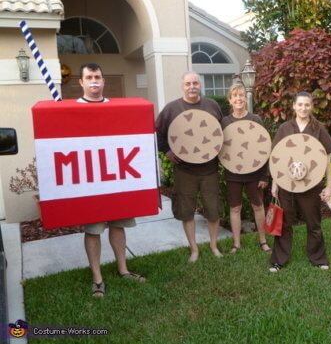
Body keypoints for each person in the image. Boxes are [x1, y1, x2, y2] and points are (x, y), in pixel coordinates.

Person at [78, 63, 145, 297]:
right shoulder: (72, 109)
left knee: (118, 224)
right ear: (82, 82)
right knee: (94, 229)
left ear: (103, 81)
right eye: (89, 77)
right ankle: (97, 278)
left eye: (97, 76)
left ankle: (123, 269)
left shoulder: (117, 108)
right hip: (89, 179)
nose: (94, 81)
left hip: (117, 176)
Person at [156, 71, 223, 262]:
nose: (192, 87)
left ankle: (213, 245)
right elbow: (158, 133)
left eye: (195, 83)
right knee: (186, 211)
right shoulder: (171, 109)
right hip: (184, 171)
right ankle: (194, 249)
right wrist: (168, 151)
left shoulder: (212, 106)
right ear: (182, 86)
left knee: (213, 209)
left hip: (209, 169)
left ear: (199, 85)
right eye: (188, 84)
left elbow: (221, 133)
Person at [269, 91, 331, 272]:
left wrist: (329, 185)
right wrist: (275, 183)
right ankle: (279, 260)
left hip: (311, 186)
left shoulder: (319, 129)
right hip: (286, 185)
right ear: (293, 106)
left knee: (313, 223)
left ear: (311, 107)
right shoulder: (284, 128)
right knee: (284, 223)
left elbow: (327, 159)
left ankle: (318, 258)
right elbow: (276, 157)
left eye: (307, 105)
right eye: (300, 105)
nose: (303, 108)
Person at [220, 83, 271, 253]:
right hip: (233, 173)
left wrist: (265, 176)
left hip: (255, 173)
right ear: (230, 100)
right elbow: (221, 148)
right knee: (235, 208)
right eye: (235, 96)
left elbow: (263, 148)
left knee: (258, 206)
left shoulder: (255, 120)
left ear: (245, 98)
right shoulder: (225, 122)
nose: (239, 99)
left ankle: (263, 241)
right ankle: (236, 243)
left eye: (241, 95)